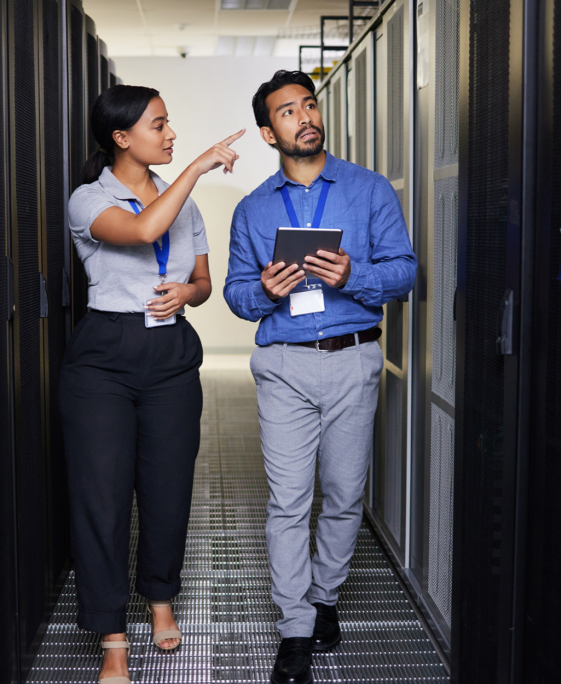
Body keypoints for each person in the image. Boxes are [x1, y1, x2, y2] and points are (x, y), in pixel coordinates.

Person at [223, 70, 417, 684]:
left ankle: (326, 596)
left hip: (354, 357)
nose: (304, 116)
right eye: (287, 111)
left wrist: (352, 275)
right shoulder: (253, 208)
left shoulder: (369, 190)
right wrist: (263, 290)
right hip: (283, 365)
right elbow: (233, 293)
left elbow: (405, 271)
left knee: (343, 493)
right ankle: (295, 628)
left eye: (309, 105)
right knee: (288, 500)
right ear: (267, 131)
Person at [59, 84, 244, 684]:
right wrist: (196, 167)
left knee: (168, 488)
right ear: (122, 138)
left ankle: (160, 598)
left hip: (168, 351)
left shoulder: (181, 202)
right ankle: (113, 635)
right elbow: (140, 233)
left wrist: (185, 294)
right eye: (159, 125)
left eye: (170, 124)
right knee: (102, 497)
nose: (170, 134)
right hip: (104, 357)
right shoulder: (88, 200)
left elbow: (202, 282)